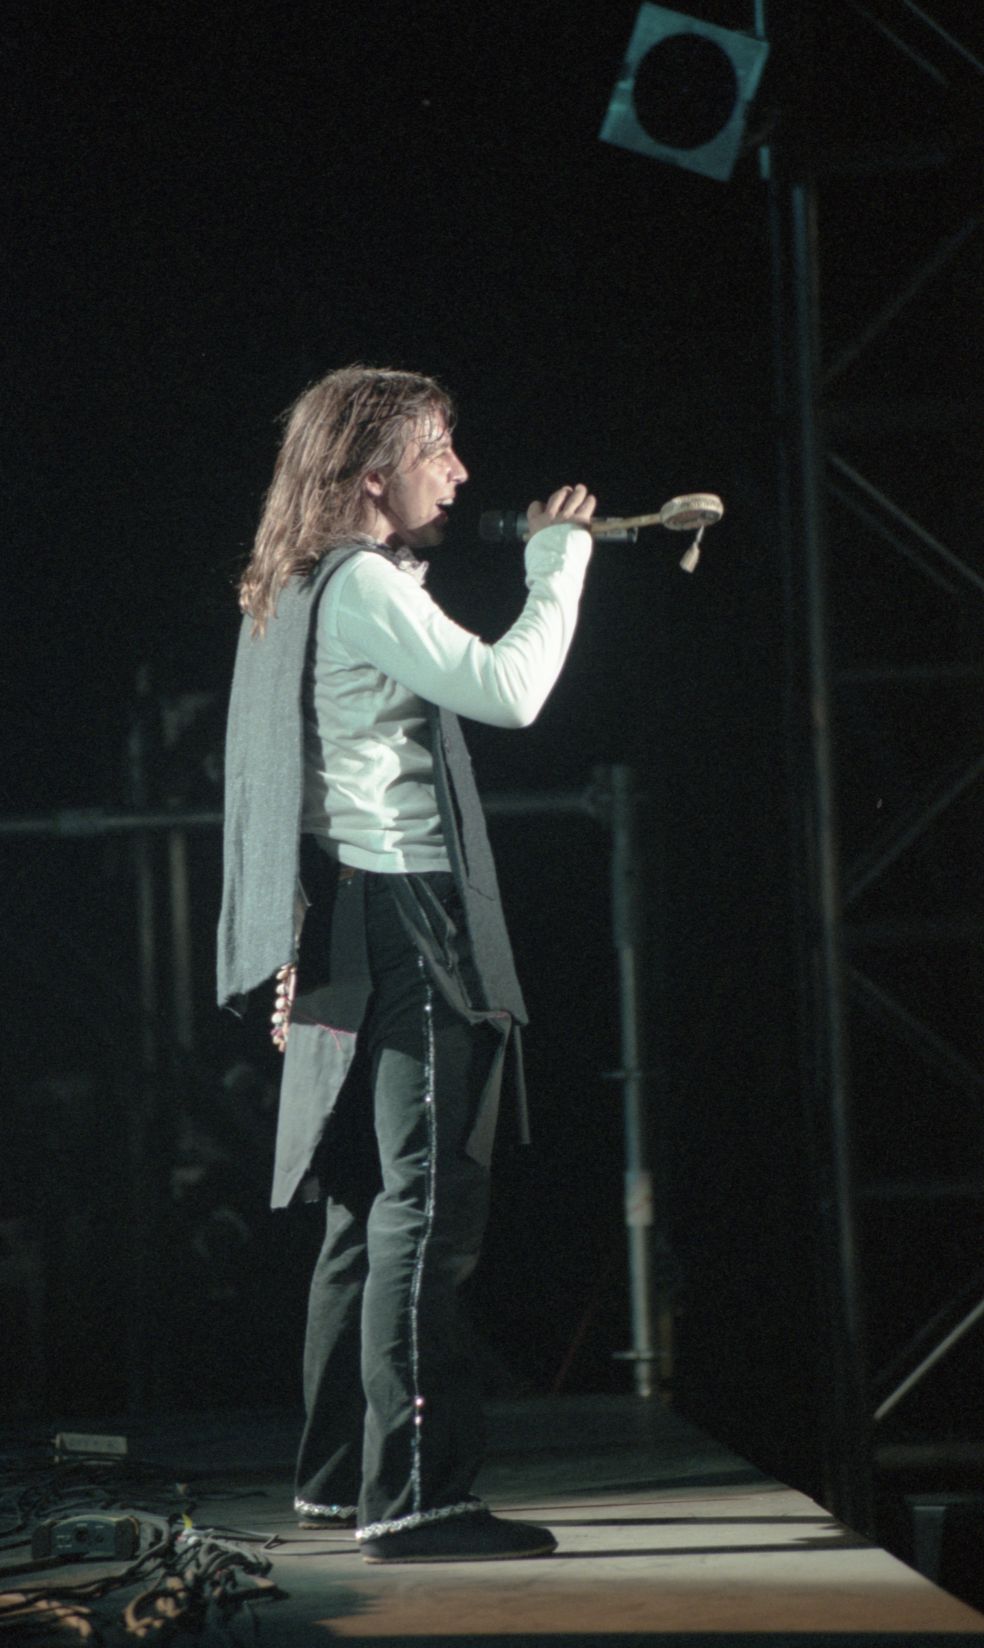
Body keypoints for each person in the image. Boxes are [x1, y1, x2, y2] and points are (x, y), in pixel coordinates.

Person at [217, 365, 595, 1563]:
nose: (460, 470)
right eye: (438, 448)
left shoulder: (295, 582)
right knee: (423, 1206)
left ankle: (340, 1481)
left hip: (345, 912)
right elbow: (510, 691)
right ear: (374, 472)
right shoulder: (364, 584)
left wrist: (287, 939)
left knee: (361, 1203)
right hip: (401, 914)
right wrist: (559, 566)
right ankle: (419, 1493)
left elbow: (276, 787)